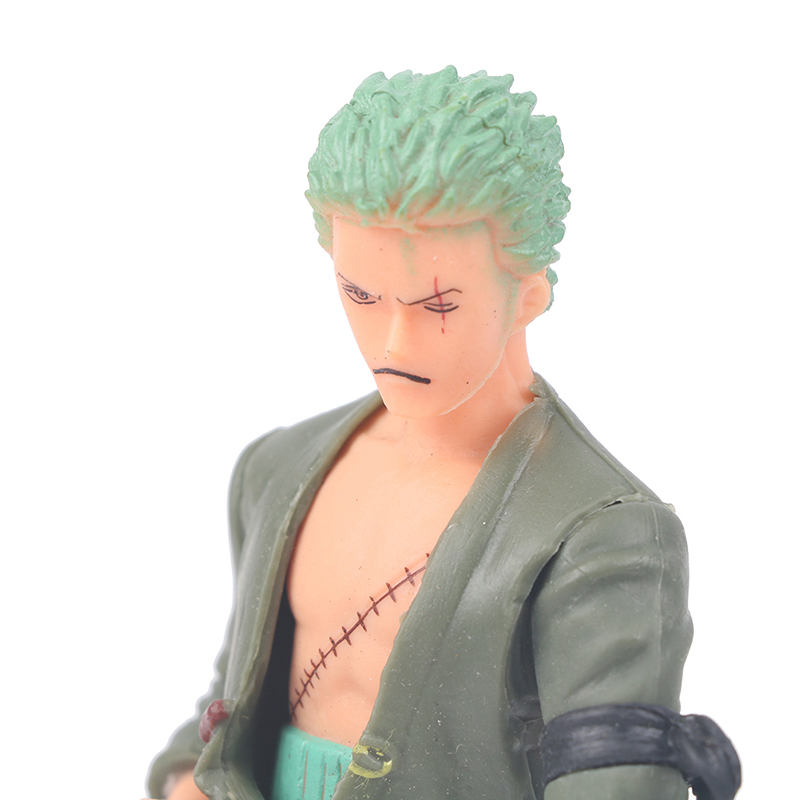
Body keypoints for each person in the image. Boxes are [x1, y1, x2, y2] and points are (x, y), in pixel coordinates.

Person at [146, 68, 738, 800]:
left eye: (437, 305)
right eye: (360, 294)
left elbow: (613, 783)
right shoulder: (279, 469)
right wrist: (190, 775)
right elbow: (238, 691)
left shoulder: (601, 535)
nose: (393, 342)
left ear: (528, 293)